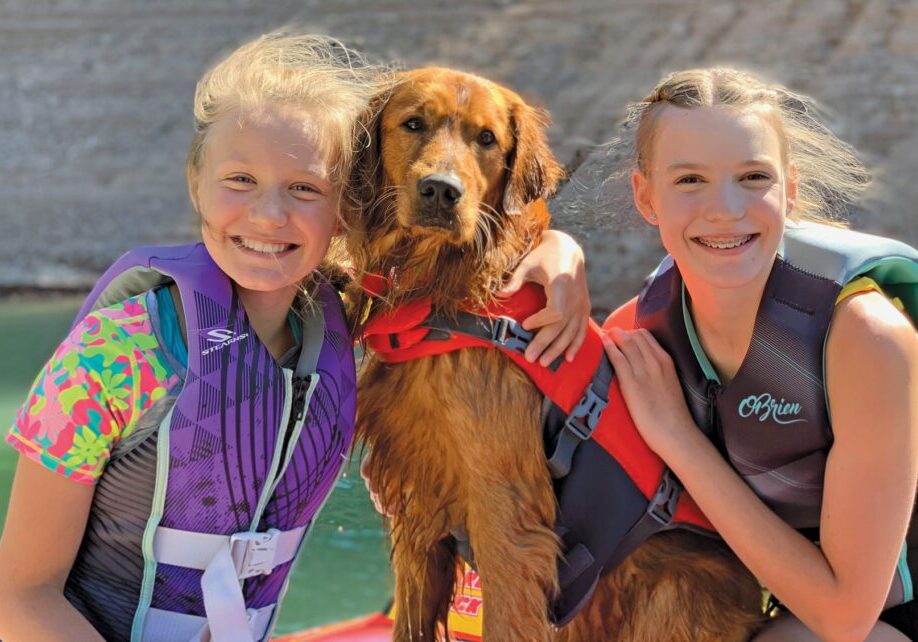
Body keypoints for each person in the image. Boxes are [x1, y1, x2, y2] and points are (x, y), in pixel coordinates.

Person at [0, 31, 590, 642]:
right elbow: (19, 597)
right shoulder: (115, 351)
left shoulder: (338, 317)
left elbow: (482, 249)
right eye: (239, 180)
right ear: (195, 183)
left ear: (349, 200)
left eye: (304, 188)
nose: (268, 215)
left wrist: (558, 252)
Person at [601, 67, 918, 641]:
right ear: (646, 197)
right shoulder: (642, 333)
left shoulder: (863, 336)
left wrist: (678, 437)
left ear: (789, 190)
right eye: (690, 180)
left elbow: (844, 619)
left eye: (753, 177)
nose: (725, 209)